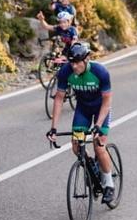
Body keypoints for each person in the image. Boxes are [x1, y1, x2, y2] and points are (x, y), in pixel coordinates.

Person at [46, 42, 115, 203]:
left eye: (77, 62)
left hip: (101, 109)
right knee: (77, 147)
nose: (74, 66)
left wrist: (98, 125)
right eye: (72, 62)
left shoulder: (100, 72)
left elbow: (107, 102)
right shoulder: (65, 72)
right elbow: (59, 99)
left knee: (99, 146)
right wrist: (53, 128)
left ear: (86, 59)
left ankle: (109, 184)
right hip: (83, 110)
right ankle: (92, 165)